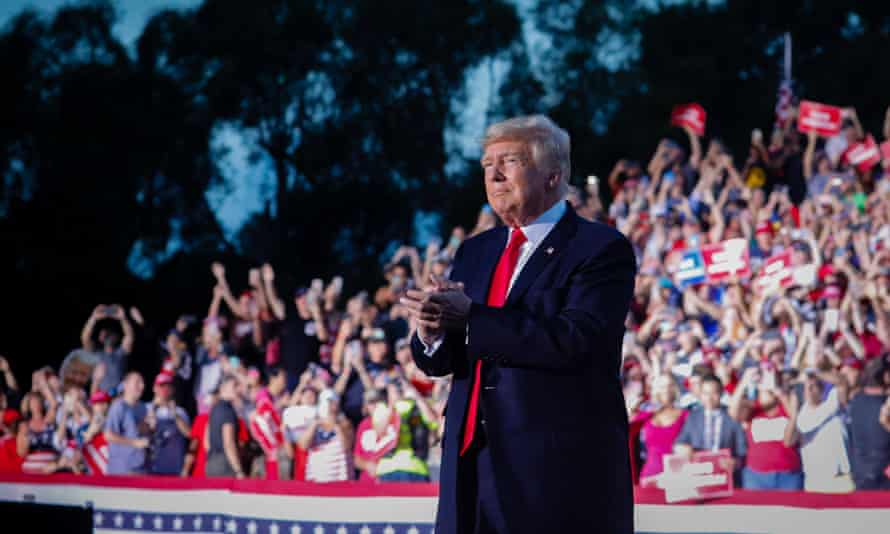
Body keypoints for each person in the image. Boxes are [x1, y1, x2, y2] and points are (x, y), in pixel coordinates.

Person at [401, 115, 636, 533]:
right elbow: (447, 360)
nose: (493, 174)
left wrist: (469, 315)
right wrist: (432, 333)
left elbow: (575, 340)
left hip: (551, 474)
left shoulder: (599, 248)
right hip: (469, 464)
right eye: (486, 165)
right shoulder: (475, 251)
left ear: (552, 175)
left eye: (508, 161)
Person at [787, 370, 853, 493]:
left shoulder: (832, 403)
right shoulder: (800, 416)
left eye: (813, 386)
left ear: (822, 390)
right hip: (815, 481)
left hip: (842, 478)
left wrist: (815, 373)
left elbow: (842, 382)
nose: (810, 390)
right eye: (807, 387)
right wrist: (794, 416)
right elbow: (788, 442)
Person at [673, 375, 747, 480]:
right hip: (698, 475)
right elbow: (680, 442)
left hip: (725, 476)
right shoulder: (693, 417)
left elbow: (741, 451)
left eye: (714, 393)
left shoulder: (732, 416)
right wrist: (681, 448)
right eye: (705, 393)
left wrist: (735, 463)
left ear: (721, 393)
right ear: (700, 395)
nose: (709, 398)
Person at [847, 358, 890, 490]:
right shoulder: (885, 406)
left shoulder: (856, 400)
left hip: (861, 477)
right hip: (884, 480)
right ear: (886, 376)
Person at [81, 304, 134, 394]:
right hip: (100, 397)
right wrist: (93, 318)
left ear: (116, 337)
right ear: (100, 338)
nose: (107, 336)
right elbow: (85, 338)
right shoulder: (96, 353)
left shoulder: (120, 353)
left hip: (119, 396)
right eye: (104, 334)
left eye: (109, 334)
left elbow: (129, 336)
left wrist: (123, 319)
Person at [104, 372, 150, 475]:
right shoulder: (118, 406)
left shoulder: (143, 407)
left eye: (142, 383)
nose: (142, 386)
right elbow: (108, 435)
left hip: (141, 468)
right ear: (126, 385)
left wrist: (148, 427)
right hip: (121, 469)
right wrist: (134, 442)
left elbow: (135, 432)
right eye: (137, 382)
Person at [146, 373, 191, 475]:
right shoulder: (145, 408)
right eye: (161, 385)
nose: (165, 389)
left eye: (168, 386)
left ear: (172, 389)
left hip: (174, 469)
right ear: (154, 388)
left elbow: (189, 435)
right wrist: (153, 409)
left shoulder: (180, 412)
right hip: (151, 468)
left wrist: (174, 414)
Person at [205, 375, 245, 478]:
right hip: (225, 464)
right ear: (223, 388)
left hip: (211, 463)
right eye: (234, 386)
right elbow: (228, 443)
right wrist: (238, 470)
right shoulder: (228, 411)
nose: (238, 389)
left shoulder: (214, 408)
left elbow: (206, 442)